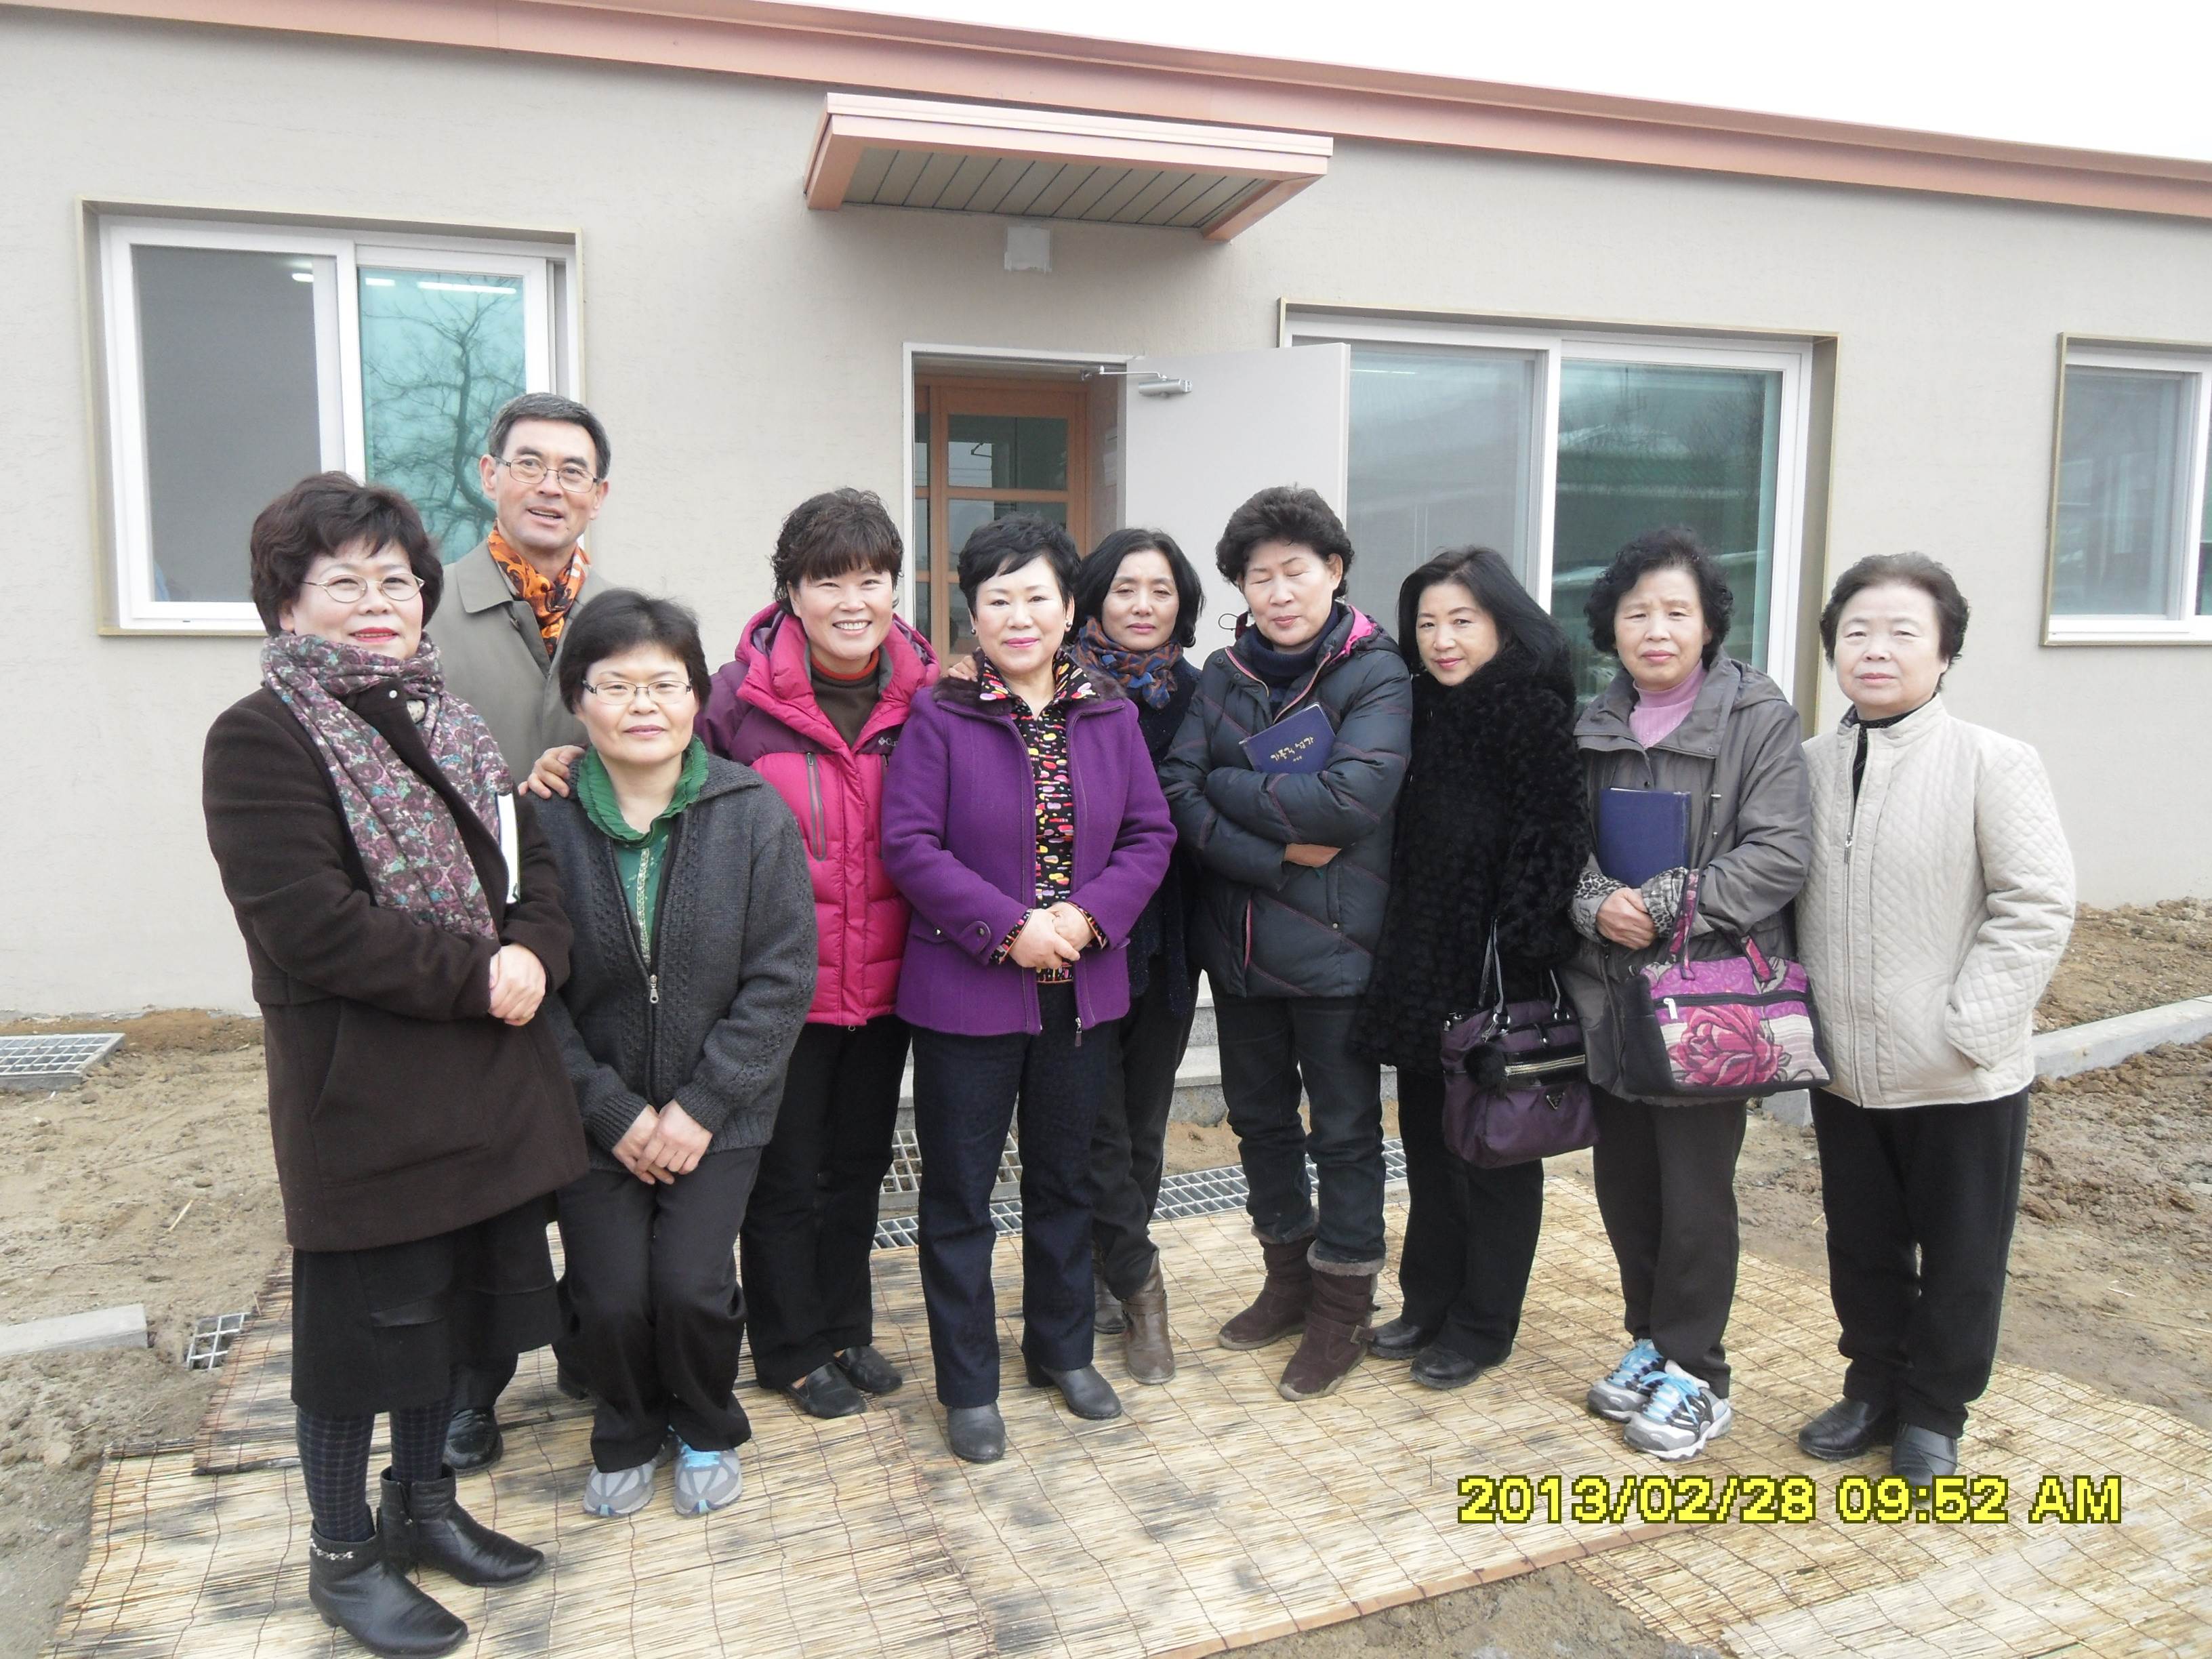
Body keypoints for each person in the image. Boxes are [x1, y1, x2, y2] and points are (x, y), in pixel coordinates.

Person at [203, 474, 585, 1658]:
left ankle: (423, 1506)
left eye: (396, 579)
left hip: (486, 1085)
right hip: (364, 1093)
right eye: (344, 583)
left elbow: (530, 871)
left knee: (453, 1321)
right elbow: (308, 924)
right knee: (361, 1339)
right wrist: (481, 973)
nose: (378, 602)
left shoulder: (453, 723)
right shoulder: (261, 736)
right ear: (287, 605)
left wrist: (535, 950)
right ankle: (341, 1554)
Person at [881, 514, 1174, 1463]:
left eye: (1036, 596)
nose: (1019, 616)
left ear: (1068, 608)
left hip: (1081, 990)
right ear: (971, 613)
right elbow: (909, 844)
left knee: (1065, 1180)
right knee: (960, 1195)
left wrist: (1088, 920)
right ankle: (969, 1385)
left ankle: (1062, 1351)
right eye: (997, 599)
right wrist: (1010, 929)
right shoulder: (943, 713)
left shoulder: (1108, 714)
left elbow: (1150, 835)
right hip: (967, 990)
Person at [530, 591, 815, 1518]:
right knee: (611, 1294)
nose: (642, 705)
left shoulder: (752, 813)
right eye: (615, 685)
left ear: (698, 696)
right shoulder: (543, 821)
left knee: (691, 1286)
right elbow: (533, 993)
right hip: (593, 1111)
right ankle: (625, 1425)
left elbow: (783, 976)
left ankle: (704, 1423)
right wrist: (611, 1112)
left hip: (720, 1109)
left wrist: (700, 1107)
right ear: (579, 701)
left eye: (664, 683)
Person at [1793, 554, 2074, 1486]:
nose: (1876, 650)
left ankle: (1934, 1413)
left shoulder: (1994, 762)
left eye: (1903, 632)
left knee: (1962, 1255)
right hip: (1845, 1067)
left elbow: (2036, 904)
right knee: (1860, 1242)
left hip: (1958, 1071)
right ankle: (1873, 1387)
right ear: (1834, 648)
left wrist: (1970, 1029)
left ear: (1945, 652)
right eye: (1858, 632)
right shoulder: (1809, 768)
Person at [1560, 527, 1812, 1462]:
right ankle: (1650, 1341)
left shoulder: (1758, 717)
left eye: (1677, 612)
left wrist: (1669, 904)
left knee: (1695, 1191)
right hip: (1611, 990)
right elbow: (1559, 840)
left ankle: (1699, 1373)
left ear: (1709, 624)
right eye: (1638, 614)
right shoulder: (1594, 722)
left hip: (1709, 998)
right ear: (1612, 628)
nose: (1657, 631)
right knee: (1626, 1184)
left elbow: (1780, 851)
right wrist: (1591, 900)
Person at [1158, 486, 1413, 1404]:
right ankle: (1287, 1279)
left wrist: (1227, 787)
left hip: (1339, 948)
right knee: (1259, 1121)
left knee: (1343, 1133)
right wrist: (1272, 853)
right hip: (1239, 947)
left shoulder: (1376, 672)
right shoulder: (1224, 674)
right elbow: (1175, 793)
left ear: (1334, 571)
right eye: (1258, 576)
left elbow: (1349, 802)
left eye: (1295, 571)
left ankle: (1343, 1307)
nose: (1278, 592)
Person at [705, 491, 938, 1417]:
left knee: (860, 1168)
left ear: (895, 589)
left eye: (871, 580)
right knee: (786, 1175)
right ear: (791, 592)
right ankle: (789, 1347)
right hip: (780, 989)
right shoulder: (738, 700)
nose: (853, 601)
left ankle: (846, 1327)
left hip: (888, 981)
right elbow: (668, 790)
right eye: (828, 581)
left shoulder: (931, 696)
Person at [1351, 548, 1589, 1391]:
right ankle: (1428, 1302)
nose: (1442, 640)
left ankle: (1484, 1325)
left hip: (1493, 978)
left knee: (1493, 1158)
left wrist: (1519, 955)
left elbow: (1555, 844)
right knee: (1427, 1150)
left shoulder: (1529, 711)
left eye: (1462, 621)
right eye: (1427, 624)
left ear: (1502, 625)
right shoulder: (1417, 706)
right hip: (1422, 967)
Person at [434, 390, 617, 1470]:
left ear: (601, 493)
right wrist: (518, 782)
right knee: (491, 1178)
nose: (552, 487)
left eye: (573, 470)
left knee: (595, 1153)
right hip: (486, 941)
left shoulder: (618, 614)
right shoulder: (432, 613)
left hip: (607, 932)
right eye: (531, 464)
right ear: (489, 475)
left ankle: (594, 1349)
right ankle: (473, 1389)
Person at [1067, 529, 1208, 1384]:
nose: (1143, 605)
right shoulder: (1059, 686)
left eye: (1161, 589)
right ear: (1093, 599)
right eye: (1125, 588)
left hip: (1173, 935)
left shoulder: (1203, 693)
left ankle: (1113, 1268)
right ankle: (1131, 1280)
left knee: (1145, 1120)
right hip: (1082, 935)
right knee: (1096, 1120)